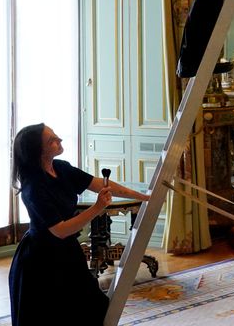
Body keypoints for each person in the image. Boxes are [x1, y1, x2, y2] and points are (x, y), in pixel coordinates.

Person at [8, 123, 147, 326]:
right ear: (39, 151)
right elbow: (61, 230)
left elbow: (100, 184)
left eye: (56, 135)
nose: (59, 140)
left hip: (67, 252)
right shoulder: (33, 187)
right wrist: (98, 207)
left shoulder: (61, 168)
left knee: (94, 306)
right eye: (52, 140)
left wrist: (143, 196)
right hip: (41, 261)